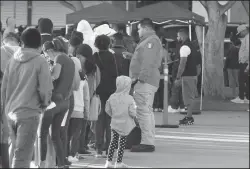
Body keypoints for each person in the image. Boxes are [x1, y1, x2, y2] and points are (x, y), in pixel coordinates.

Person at [1, 28, 53, 168]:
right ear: (39, 44)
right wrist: (44, 104)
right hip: (29, 112)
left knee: (14, 152)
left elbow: (4, 88)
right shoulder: (40, 61)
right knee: (22, 156)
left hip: (10, 112)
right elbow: (45, 89)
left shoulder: (13, 60)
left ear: (22, 42)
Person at [38, 37, 75, 168]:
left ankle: (41, 162)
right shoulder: (70, 59)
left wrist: (46, 73)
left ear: (50, 50)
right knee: (55, 135)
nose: (45, 55)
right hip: (65, 101)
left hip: (54, 101)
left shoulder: (59, 58)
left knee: (42, 133)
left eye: (45, 53)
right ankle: (61, 163)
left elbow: (55, 76)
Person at [129, 18, 162, 152]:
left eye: (139, 28)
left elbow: (148, 62)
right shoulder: (149, 41)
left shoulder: (151, 41)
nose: (138, 31)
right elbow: (145, 59)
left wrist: (139, 78)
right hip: (146, 80)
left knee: (143, 111)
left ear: (146, 28)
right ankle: (148, 140)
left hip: (145, 81)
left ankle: (147, 142)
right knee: (146, 111)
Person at [93, 35, 120, 157]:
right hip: (110, 90)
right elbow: (115, 73)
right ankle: (110, 147)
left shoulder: (94, 57)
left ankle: (98, 147)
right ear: (109, 44)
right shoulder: (112, 56)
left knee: (99, 119)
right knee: (110, 120)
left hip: (97, 91)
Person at [104, 76, 136, 168]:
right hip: (125, 124)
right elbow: (132, 112)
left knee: (112, 142)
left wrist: (113, 115)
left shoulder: (112, 97)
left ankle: (108, 161)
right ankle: (118, 162)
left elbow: (107, 109)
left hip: (114, 123)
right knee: (121, 143)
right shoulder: (130, 98)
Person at [76, 45, 101, 153]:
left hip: (77, 97)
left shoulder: (77, 65)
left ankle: (78, 147)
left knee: (78, 124)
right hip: (89, 97)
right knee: (85, 123)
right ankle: (83, 145)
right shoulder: (94, 67)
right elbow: (98, 81)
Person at [68, 53, 90, 162]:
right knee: (75, 135)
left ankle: (65, 154)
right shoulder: (83, 80)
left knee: (66, 134)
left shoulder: (66, 78)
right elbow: (86, 98)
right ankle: (73, 154)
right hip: (79, 110)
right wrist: (87, 111)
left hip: (67, 110)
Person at [174, 29, 198, 125]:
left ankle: (189, 117)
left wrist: (178, 77)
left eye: (178, 36)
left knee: (188, 97)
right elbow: (198, 64)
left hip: (187, 75)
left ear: (182, 37)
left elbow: (182, 63)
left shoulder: (184, 47)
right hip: (193, 74)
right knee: (189, 96)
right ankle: (189, 116)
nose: (177, 38)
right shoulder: (192, 46)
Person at [231, 24, 249, 104]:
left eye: (240, 33)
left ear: (244, 31)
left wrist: (247, 65)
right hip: (246, 62)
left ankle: (241, 97)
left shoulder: (248, 38)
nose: (240, 35)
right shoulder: (246, 38)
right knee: (247, 81)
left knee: (241, 80)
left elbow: (248, 51)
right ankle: (247, 98)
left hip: (245, 63)